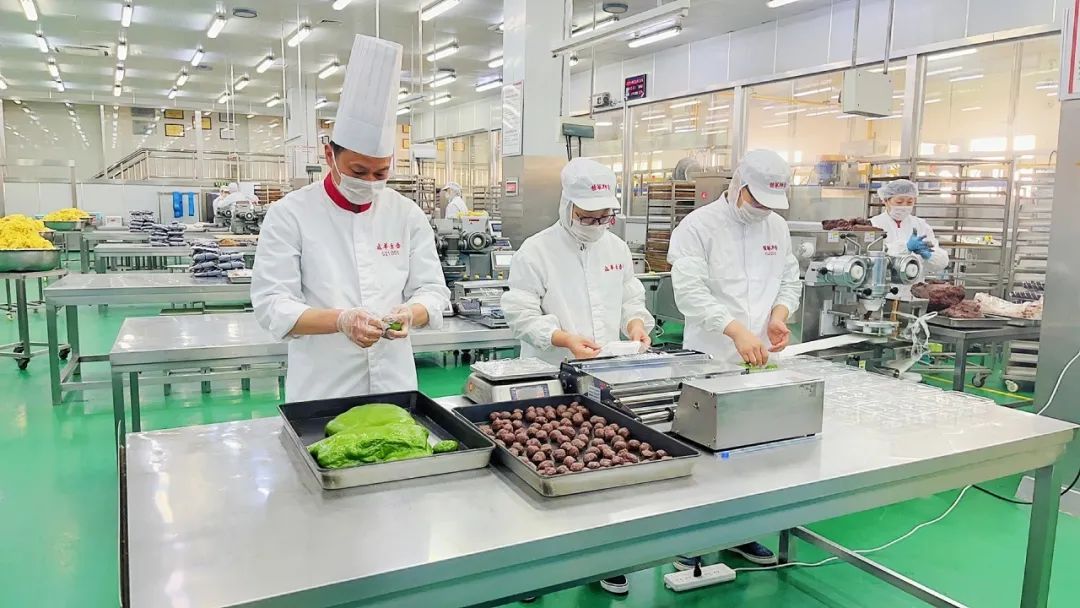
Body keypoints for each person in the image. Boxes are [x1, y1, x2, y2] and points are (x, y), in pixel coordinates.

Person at [251, 35, 450, 403]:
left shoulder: (406, 214)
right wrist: (341, 320)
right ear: (329, 155)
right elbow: (272, 304)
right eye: (358, 171)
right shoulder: (290, 214)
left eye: (381, 173)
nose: (370, 182)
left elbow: (434, 291)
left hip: (395, 383)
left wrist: (412, 313)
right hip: (323, 388)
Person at [501, 158, 654, 596]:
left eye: (604, 217)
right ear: (567, 206)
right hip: (548, 378)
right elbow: (519, 312)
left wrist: (637, 325)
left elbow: (631, 299)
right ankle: (534, 565)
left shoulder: (616, 249)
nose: (596, 225)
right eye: (588, 217)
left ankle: (605, 557)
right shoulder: (536, 250)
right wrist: (561, 337)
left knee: (603, 465)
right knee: (542, 466)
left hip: (604, 378)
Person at [666, 149, 802, 568]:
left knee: (753, 449)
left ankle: (742, 532)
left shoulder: (776, 227)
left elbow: (789, 279)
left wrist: (779, 316)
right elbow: (690, 293)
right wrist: (735, 330)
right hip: (709, 358)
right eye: (757, 200)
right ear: (738, 186)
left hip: (758, 360)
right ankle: (691, 539)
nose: (763, 210)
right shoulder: (698, 227)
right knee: (703, 454)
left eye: (770, 203)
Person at [870, 178, 949, 275]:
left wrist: (929, 256)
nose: (904, 206)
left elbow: (941, 263)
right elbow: (871, 258)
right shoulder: (874, 224)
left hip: (914, 282)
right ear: (886, 201)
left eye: (909, 202)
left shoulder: (921, 225)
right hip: (882, 282)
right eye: (899, 202)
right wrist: (905, 248)